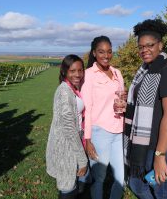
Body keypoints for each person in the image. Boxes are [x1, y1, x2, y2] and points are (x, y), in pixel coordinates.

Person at [123, 19, 167, 199]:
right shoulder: (145, 72)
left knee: (162, 193)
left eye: (150, 45)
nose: (144, 50)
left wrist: (160, 155)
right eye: (141, 47)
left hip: (161, 146)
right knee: (137, 185)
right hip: (144, 145)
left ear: (160, 45)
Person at [81, 36, 125, 199]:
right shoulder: (89, 75)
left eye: (109, 51)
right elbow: (87, 109)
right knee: (99, 178)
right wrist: (88, 140)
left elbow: (120, 98)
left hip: (118, 131)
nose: (106, 55)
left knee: (121, 178)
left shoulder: (117, 73)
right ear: (94, 53)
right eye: (101, 52)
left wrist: (123, 104)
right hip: (99, 132)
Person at [46, 54, 88, 199]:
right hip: (66, 148)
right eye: (73, 71)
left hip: (73, 145)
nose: (78, 74)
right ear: (65, 72)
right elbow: (69, 129)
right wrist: (82, 159)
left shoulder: (72, 89)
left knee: (72, 184)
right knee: (67, 188)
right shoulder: (64, 92)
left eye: (80, 70)